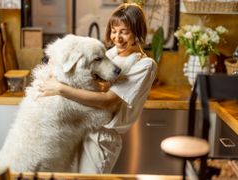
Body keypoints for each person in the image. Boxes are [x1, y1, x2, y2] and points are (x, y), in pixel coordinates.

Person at [39, 3, 157, 173]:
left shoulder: (144, 65)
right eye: (114, 31)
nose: (117, 37)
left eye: (124, 32)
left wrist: (60, 88)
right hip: (84, 127)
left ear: (137, 31)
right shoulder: (112, 54)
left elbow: (107, 101)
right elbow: (91, 80)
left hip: (102, 137)